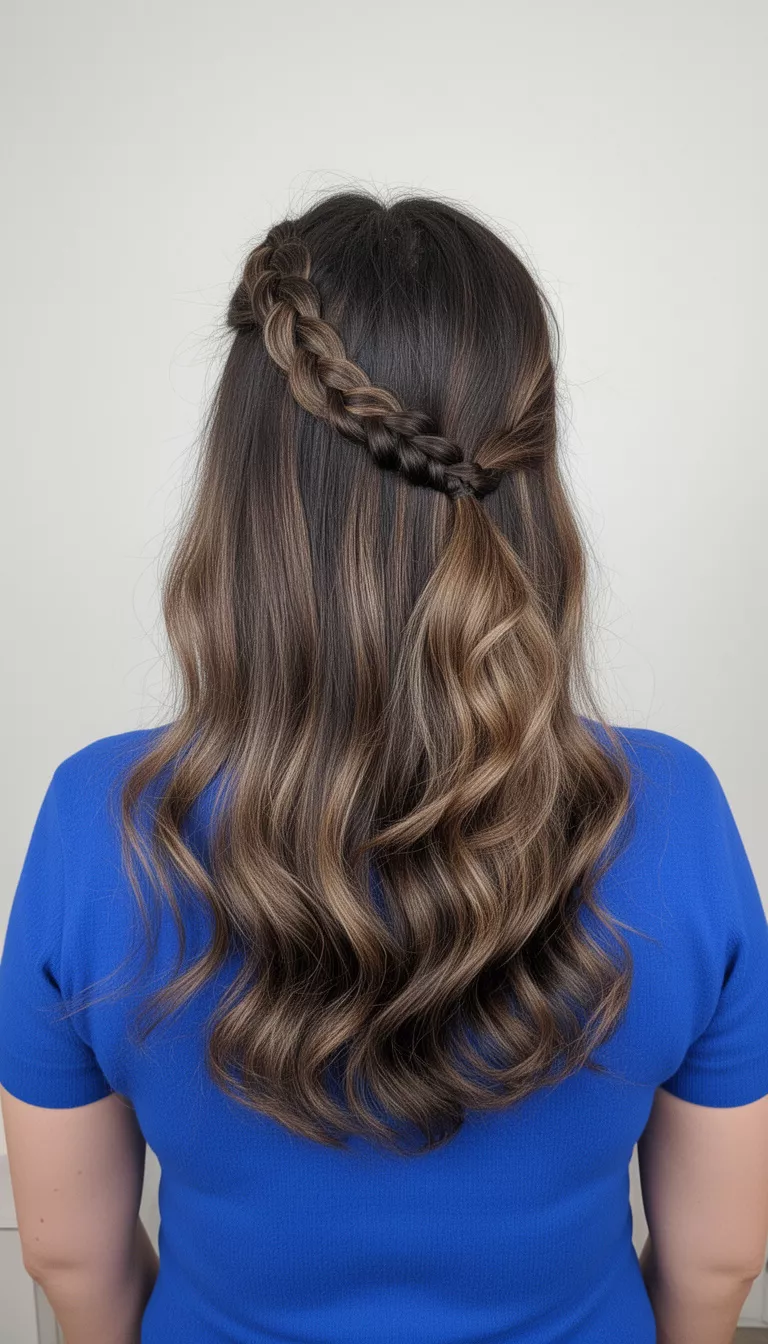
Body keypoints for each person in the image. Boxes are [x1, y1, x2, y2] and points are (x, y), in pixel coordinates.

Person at [1, 189, 767, 1344]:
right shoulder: (671, 811)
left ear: (246, 491)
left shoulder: (100, 818)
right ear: (530, 475)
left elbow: (68, 1255)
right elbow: (719, 1264)